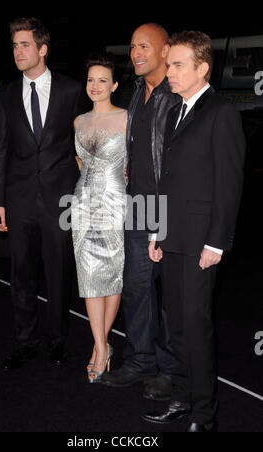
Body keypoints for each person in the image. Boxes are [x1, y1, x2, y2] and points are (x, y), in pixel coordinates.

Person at [142, 31, 245, 432]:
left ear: (202, 68)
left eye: (178, 65)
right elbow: (166, 181)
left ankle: (205, 414)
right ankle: (182, 399)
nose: (170, 72)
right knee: (178, 326)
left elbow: (229, 184)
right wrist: (156, 232)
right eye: (169, 65)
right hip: (171, 239)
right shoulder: (173, 111)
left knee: (196, 328)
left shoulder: (221, 112)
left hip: (202, 242)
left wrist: (216, 243)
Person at [0, 17, 85, 370]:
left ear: (43, 49)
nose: (18, 51)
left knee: (60, 272)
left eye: (25, 44)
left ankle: (57, 340)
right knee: (22, 274)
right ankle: (25, 340)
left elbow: (82, 144)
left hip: (61, 198)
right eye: (14, 45)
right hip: (18, 198)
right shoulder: (7, 93)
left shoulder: (71, 90)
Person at [102, 23, 180, 401]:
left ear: (166, 51)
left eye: (144, 46)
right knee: (136, 285)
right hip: (137, 206)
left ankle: (170, 370)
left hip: (171, 208)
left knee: (170, 294)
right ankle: (139, 359)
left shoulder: (178, 94)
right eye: (132, 46)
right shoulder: (137, 92)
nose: (135, 53)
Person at [71, 52, 127, 383]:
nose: (95, 86)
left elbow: (134, 166)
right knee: (90, 278)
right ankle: (102, 346)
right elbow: (80, 165)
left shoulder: (126, 117)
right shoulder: (79, 121)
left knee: (111, 276)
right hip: (81, 204)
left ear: (114, 85)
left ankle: (100, 348)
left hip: (115, 204)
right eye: (91, 80)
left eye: (102, 80)